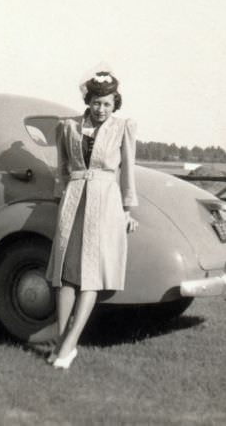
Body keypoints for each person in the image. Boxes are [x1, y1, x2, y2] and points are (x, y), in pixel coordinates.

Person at [45, 63, 139, 369]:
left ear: (115, 104)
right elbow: (61, 168)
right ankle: (62, 343)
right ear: (89, 101)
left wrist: (128, 210)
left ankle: (69, 343)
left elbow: (128, 173)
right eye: (97, 103)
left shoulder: (123, 128)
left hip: (104, 201)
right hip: (73, 200)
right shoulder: (68, 127)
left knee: (91, 274)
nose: (101, 109)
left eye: (108, 104)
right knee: (65, 273)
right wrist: (59, 199)